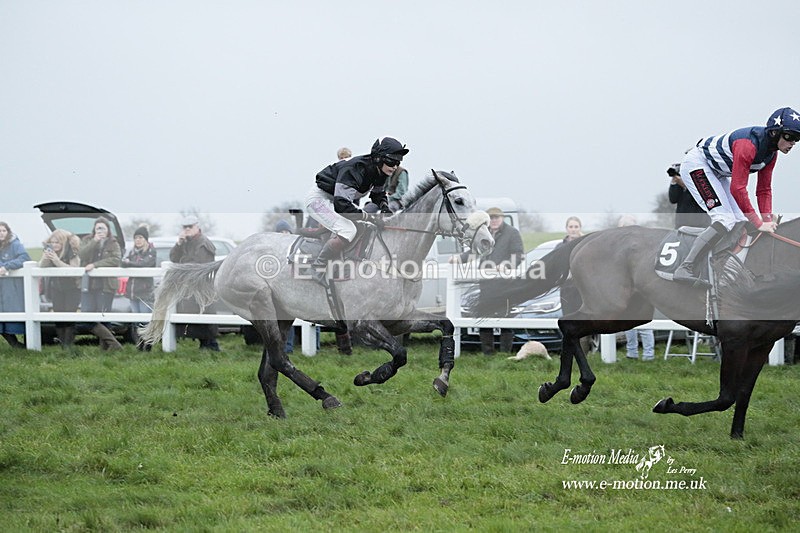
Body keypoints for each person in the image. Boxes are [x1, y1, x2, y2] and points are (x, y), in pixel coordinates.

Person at [674, 107, 800, 285]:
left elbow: (764, 190)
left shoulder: (771, 154)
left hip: (717, 172)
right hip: (697, 164)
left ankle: (723, 266)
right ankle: (685, 267)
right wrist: (758, 223)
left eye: (797, 138)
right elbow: (738, 189)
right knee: (724, 219)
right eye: (790, 137)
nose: (793, 143)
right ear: (774, 132)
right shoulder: (747, 146)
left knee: (740, 220)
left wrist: (766, 220)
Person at [304, 137, 408, 286]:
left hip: (335, 200)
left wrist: (385, 208)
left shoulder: (380, 171)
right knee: (348, 230)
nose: (395, 166)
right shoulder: (356, 168)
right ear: (378, 158)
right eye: (391, 161)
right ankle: (317, 268)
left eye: (398, 162)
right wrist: (368, 217)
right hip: (319, 200)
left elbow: (377, 194)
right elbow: (342, 205)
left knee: (362, 227)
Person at [450, 207, 524, 354]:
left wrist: (506, 265)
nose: (495, 220)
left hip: (505, 284)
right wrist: (458, 259)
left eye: (497, 217)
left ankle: (505, 353)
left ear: (502, 218)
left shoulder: (512, 233)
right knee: (484, 317)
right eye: (492, 218)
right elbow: (473, 252)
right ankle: (488, 353)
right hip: (486, 284)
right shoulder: (484, 233)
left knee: (506, 318)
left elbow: (518, 254)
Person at [170, 215, 220, 351]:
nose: (187, 230)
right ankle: (206, 344)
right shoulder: (186, 242)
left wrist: (181, 265)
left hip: (202, 287)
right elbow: (173, 258)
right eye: (185, 227)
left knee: (204, 315)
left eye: (190, 227)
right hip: (190, 286)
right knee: (193, 315)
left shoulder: (204, 243)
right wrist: (178, 244)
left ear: (197, 227)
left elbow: (199, 265)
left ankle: (211, 345)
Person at [79, 217, 123, 350]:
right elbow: (82, 255)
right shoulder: (87, 240)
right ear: (94, 229)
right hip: (88, 285)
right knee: (87, 317)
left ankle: (105, 349)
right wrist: (95, 241)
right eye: (98, 228)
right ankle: (114, 344)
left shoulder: (113, 243)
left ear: (108, 230)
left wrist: (95, 265)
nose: (100, 231)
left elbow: (115, 260)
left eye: (103, 228)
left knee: (104, 317)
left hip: (106, 285)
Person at [617, 215, 655, 361]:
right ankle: (631, 353)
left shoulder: (643, 245)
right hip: (627, 290)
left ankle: (648, 355)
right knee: (628, 323)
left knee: (644, 323)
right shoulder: (619, 247)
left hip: (642, 288)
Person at [39, 229, 82, 349]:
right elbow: (42, 266)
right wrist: (46, 257)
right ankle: (62, 342)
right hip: (56, 288)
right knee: (58, 314)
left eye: (57, 242)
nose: (54, 245)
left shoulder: (72, 253)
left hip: (72, 289)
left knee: (69, 315)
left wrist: (57, 261)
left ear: (63, 243)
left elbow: (74, 271)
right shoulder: (52, 252)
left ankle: (68, 343)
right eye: (52, 242)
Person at [121, 225, 157, 350]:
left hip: (145, 292)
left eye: (141, 237)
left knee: (145, 321)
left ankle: (148, 345)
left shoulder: (151, 251)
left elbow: (145, 264)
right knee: (136, 321)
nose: (138, 240)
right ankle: (139, 345)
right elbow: (122, 263)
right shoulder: (131, 252)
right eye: (136, 237)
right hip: (133, 291)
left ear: (145, 239)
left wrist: (129, 263)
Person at [0, 222, 31, 348]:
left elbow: (24, 258)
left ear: (8, 232)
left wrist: (6, 266)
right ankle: (14, 344)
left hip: (12, 288)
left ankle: (29, 345)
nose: (0, 233)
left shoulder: (15, 245)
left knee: (19, 314)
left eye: (3, 231)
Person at [275, 219, 296, 352]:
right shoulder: (276, 249)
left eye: (286, 231)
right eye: (281, 232)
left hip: (292, 288)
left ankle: (288, 346)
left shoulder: (295, 247)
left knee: (288, 319)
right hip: (279, 288)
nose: (284, 234)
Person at [667, 163, 710, 229]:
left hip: (699, 223)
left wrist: (685, 186)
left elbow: (701, 196)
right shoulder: (680, 180)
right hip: (682, 223)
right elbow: (673, 199)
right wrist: (674, 183)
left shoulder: (701, 175)